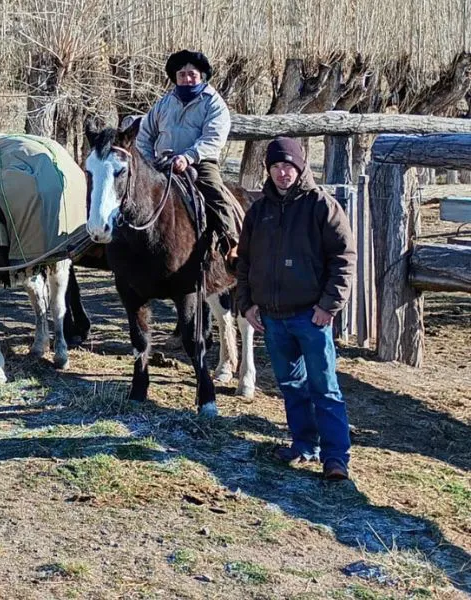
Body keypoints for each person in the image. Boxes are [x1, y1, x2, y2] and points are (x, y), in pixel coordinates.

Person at [236, 137, 357, 481]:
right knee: (291, 386)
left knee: (325, 387)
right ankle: (304, 445)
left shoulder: (321, 205)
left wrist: (328, 306)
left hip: (311, 316)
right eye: (275, 166)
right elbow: (244, 261)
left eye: (288, 166)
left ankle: (336, 458)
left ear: (301, 166)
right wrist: (246, 304)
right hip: (272, 318)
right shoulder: (259, 211)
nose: (282, 173)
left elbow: (344, 260)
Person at [136, 49, 241, 267]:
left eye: (191, 73)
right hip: (162, 162)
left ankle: (231, 242)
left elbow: (213, 136)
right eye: (181, 74)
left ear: (201, 75)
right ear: (175, 77)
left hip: (201, 162)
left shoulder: (213, 103)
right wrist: (147, 161)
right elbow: (145, 134)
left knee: (215, 193)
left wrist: (189, 157)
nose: (186, 78)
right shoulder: (165, 103)